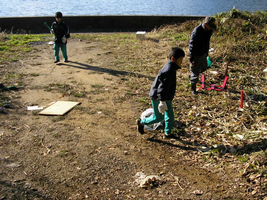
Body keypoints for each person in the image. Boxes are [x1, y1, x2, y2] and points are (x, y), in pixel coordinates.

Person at [137, 47, 185, 138]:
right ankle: (141, 122)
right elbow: (162, 87)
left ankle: (168, 133)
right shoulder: (168, 70)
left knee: (170, 115)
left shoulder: (172, 67)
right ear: (173, 59)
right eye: (180, 60)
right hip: (158, 97)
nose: (181, 62)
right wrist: (162, 102)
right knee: (158, 118)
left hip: (166, 97)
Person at [189, 16, 217, 95]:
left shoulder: (209, 31)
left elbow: (207, 42)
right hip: (196, 54)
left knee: (204, 67)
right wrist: (192, 58)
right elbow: (191, 46)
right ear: (205, 24)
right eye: (210, 27)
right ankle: (193, 88)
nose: (211, 29)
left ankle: (192, 73)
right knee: (196, 72)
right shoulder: (197, 31)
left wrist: (206, 52)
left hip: (203, 53)